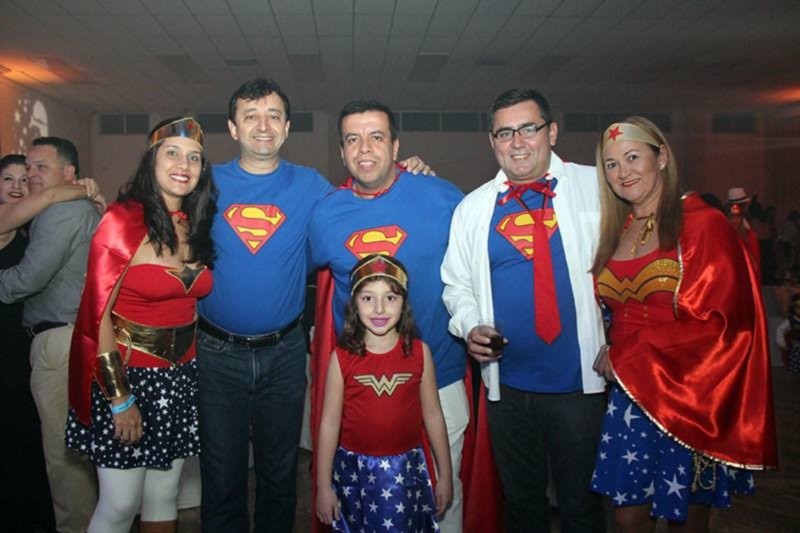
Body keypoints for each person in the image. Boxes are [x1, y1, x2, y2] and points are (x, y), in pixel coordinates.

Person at [197, 78, 430, 532]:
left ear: (287, 128)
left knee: (280, 475)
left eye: (274, 116)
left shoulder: (312, 187)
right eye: (251, 116)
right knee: (221, 476)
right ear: (233, 127)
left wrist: (407, 173)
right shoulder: (206, 183)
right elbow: (154, 213)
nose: (263, 126)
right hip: (216, 354)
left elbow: (366, 198)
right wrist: (81, 189)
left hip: (283, 354)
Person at [590, 117, 777, 531]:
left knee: (686, 520)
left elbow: (724, 324)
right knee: (626, 518)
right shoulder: (616, 228)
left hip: (688, 394)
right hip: (628, 395)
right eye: (612, 164)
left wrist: (631, 351)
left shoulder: (703, 224)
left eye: (633, 157)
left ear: (662, 157)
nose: (623, 172)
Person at [441, 88, 607, 531]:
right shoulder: (474, 207)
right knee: (522, 506)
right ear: (492, 141)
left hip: (579, 386)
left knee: (582, 508)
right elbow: (456, 285)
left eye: (528, 129)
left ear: (551, 132)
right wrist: (470, 325)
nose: (517, 142)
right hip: (508, 388)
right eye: (504, 133)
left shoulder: (596, 187)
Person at [308, 99, 468, 531]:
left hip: (441, 376)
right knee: (369, 504)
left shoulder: (441, 197)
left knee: (444, 501)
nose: (364, 148)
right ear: (341, 152)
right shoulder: (326, 214)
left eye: (376, 137)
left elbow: (483, 267)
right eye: (352, 139)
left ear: (396, 146)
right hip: (360, 388)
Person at [66, 116, 216, 533]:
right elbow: (97, 313)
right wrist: (119, 398)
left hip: (181, 378)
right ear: (152, 160)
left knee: (164, 495)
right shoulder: (122, 220)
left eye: (194, 158)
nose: (183, 165)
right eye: (172, 153)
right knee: (119, 505)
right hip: (128, 377)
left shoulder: (196, 222)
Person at [0, 137, 101, 533]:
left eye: (41, 167)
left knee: (64, 455)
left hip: (60, 340)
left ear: (68, 173)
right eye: (28, 169)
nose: (30, 176)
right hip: (64, 339)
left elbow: (28, 279)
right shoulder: (48, 209)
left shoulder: (62, 211)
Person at [315, 254, 453, 531]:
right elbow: (329, 423)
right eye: (368, 298)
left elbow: (433, 416)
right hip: (354, 474)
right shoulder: (341, 358)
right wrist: (323, 486)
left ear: (404, 304)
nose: (379, 308)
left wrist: (446, 476)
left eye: (390, 298)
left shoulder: (419, 353)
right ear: (354, 304)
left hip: (406, 473)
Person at [725, 186, 761, 274]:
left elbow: (754, 261)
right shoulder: (724, 234)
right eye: (733, 217)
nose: (735, 220)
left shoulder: (749, 234)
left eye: (738, 216)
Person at [776, 293, 800, 373]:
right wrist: (782, 344)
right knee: (795, 366)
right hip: (796, 347)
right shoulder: (791, 320)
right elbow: (780, 330)